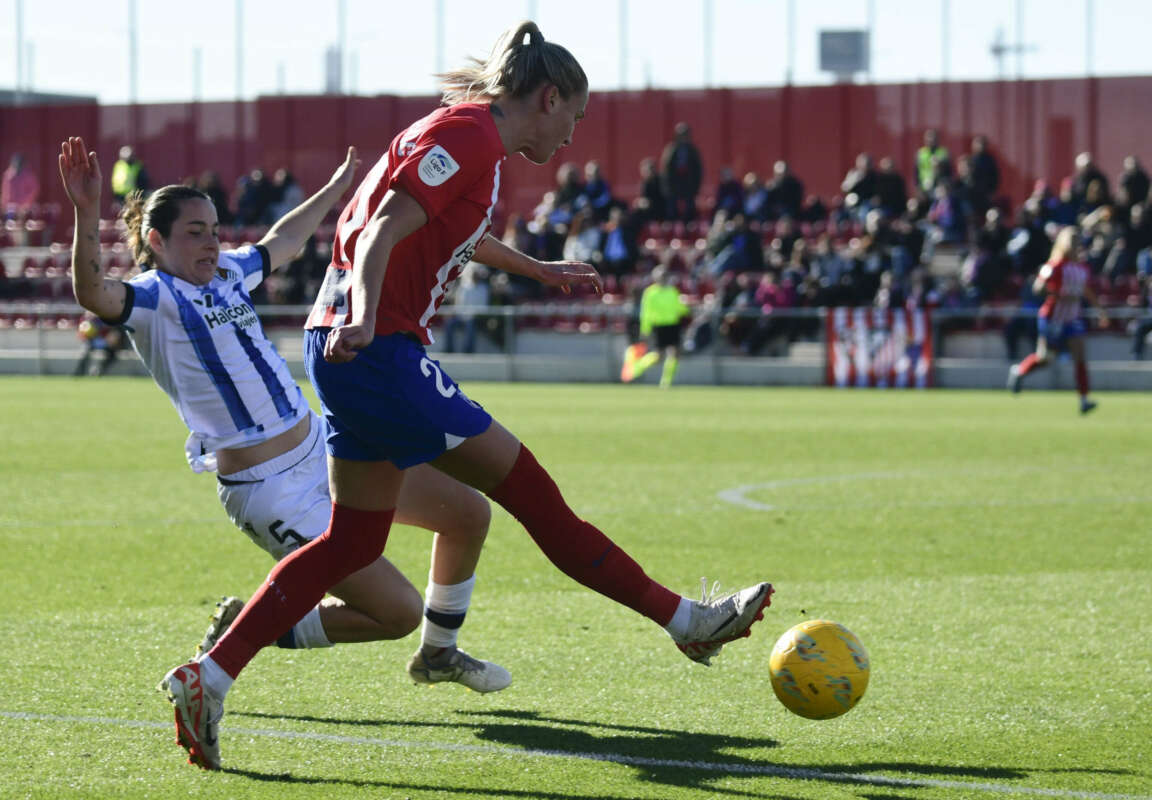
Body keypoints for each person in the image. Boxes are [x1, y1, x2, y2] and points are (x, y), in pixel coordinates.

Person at [161, 21, 772, 771]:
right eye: (572, 117)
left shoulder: (465, 137)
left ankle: (209, 676)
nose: (573, 137)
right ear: (546, 97)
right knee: (537, 498)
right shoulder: (475, 137)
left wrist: (537, 268)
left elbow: (448, 230)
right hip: (376, 349)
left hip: (346, 352)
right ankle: (687, 621)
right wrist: (363, 315)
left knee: (352, 544)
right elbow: (384, 226)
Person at [59, 135, 515, 764]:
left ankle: (439, 655)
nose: (211, 242)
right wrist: (86, 214)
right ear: (157, 243)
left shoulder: (225, 275)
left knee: (468, 514)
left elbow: (282, 242)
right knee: (397, 611)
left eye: (214, 229)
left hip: (325, 450)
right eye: (194, 232)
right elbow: (92, 293)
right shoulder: (154, 299)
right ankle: (249, 636)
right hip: (271, 488)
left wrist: (335, 190)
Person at [1007, 226, 1109, 413]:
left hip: (1073, 319)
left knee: (1080, 357)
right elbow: (1037, 288)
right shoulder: (1053, 266)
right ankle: (1019, 371)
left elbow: (1087, 291)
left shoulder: (1081, 269)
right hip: (1052, 318)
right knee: (1045, 358)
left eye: (1077, 241)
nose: (1075, 245)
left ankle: (1084, 399)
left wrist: (1100, 311)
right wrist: (1058, 293)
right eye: (1071, 241)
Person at [621, 265, 690, 386]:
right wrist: (645, 329)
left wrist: (687, 310)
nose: (663, 278)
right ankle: (638, 367)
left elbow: (678, 306)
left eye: (665, 276)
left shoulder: (672, 291)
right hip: (659, 326)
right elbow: (646, 312)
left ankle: (666, 381)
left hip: (673, 325)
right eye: (661, 276)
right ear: (655, 278)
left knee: (675, 352)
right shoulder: (650, 293)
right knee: (659, 356)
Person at [2, 152, 40, 217]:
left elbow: (34, 190)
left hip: (24, 208)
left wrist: (25, 203)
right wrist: (4, 204)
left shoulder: (28, 175)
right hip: (10, 208)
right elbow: (5, 191)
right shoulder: (8, 175)